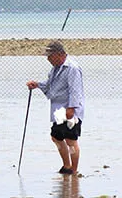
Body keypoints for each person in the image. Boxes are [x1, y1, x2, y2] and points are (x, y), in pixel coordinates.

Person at [25, 41, 86, 175]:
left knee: (71, 140)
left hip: (71, 110)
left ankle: (74, 170)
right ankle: (66, 165)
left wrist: (71, 109)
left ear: (59, 54)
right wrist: (37, 85)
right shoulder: (55, 68)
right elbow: (49, 86)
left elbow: (75, 90)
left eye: (50, 56)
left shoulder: (72, 68)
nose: (48, 59)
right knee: (56, 136)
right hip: (58, 110)